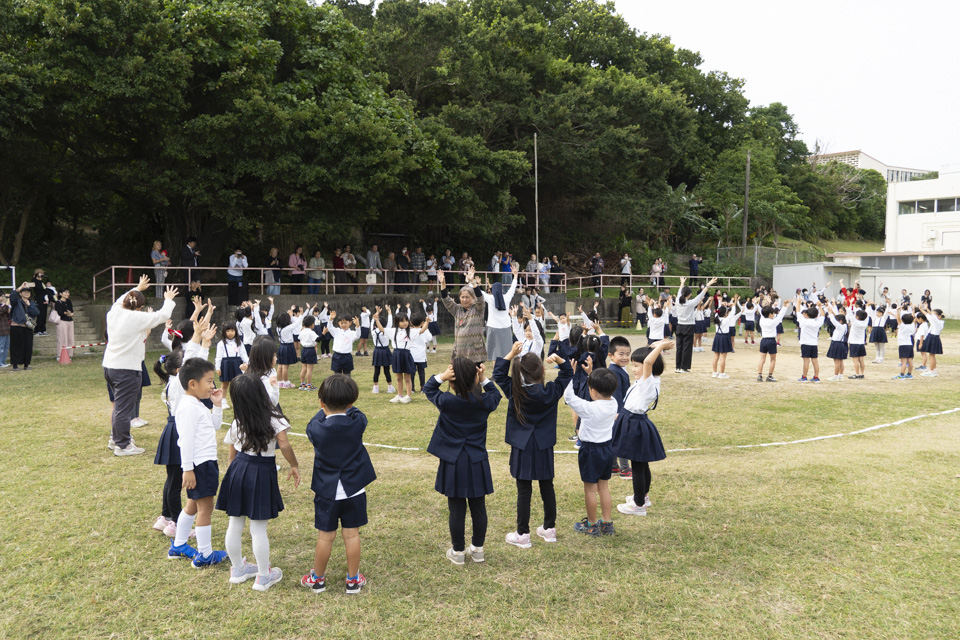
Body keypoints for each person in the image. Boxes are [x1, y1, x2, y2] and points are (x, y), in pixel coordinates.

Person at [217, 374, 300, 592]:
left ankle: (238, 570)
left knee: (235, 523)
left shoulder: (238, 420)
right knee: (258, 528)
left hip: (238, 468)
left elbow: (232, 447)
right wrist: (294, 465)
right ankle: (264, 576)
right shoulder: (274, 418)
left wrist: (232, 470)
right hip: (261, 470)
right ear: (261, 394)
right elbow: (283, 443)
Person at [301, 375, 376, 594]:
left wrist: (323, 407)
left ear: (321, 402)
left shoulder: (315, 428)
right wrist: (346, 405)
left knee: (326, 536)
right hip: (354, 489)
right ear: (351, 403)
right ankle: (352, 580)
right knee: (352, 535)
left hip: (327, 491)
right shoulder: (357, 422)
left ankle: (317, 579)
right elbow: (357, 413)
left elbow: (313, 422)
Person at [494, 341, 572, 548]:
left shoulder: (515, 391)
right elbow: (567, 374)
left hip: (522, 445)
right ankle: (549, 529)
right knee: (547, 486)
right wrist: (560, 360)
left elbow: (499, 375)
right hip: (543, 445)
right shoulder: (550, 392)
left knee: (524, 489)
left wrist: (511, 353)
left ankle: (523, 533)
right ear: (542, 371)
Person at [425, 358, 503, 565]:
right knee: (479, 507)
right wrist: (483, 378)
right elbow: (496, 395)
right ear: (475, 379)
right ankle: (478, 549)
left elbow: (429, 388)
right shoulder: (484, 401)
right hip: (477, 459)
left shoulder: (448, 401)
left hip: (453, 460)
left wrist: (442, 376)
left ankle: (458, 552)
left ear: (452, 382)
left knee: (457, 509)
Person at [102, 276, 176, 454]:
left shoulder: (113, 312)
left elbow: (120, 300)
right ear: (140, 307)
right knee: (124, 408)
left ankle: (116, 438)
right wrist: (168, 300)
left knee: (120, 406)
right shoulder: (137, 317)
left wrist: (137, 288)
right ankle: (122, 445)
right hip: (126, 369)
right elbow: (163, 315)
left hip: (110, 366)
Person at [167, 357, 228, 567]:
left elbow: (215, 426)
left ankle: (179, 545)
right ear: (192, 384)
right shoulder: (188, 407)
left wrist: (217, 405)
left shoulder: (197, 404)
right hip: (200, 465)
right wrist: (188, 470)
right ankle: (204, 554)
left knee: (192, 505)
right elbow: (185, 441)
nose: (213, 386)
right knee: (205, 509)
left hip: (204, 462)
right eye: (209, 381)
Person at [614, 340, 675, 517]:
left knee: (638, 467)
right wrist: (656, 345)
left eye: (636, 365)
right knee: (642, 464)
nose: (633, 369)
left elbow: (648, 362)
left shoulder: (649, 381)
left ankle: (638, 504)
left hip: (635, 424)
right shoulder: (645, 381)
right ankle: (643, 496)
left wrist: (661, 348)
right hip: (631, 420)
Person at [563, 365, 619, 537]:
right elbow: (599, 394)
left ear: (593, 391)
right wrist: (591, 376)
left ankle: (592, 524)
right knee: (604, 487)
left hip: (590, 451)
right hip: (607, 449)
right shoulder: (614, 402)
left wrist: (570, 374)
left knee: (590, 489)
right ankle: (607, 522)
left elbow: (569, 397)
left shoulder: (589, 409)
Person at [153, 350, 189, 539]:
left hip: (171, 428)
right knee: (175, 481)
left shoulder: (172, 382)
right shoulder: (178, 384)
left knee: (172, 478)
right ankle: (176, 521)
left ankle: (166, 516)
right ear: (178, 369)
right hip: (177, 429)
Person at [437, 267, 487, 364]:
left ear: (473, 298)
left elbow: (480, 298)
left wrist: (473, 281)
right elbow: (446, 300)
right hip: (459, 352)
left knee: (475, 377)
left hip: (475, 352)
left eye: (467, 297)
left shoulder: (478, 308)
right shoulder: (457, 309)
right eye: (462, 297)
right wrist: (443, 283)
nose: (464, 300)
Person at [481, 262, 519, 360]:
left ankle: (495, 373)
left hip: (493, 327)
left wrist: (471, 281)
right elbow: (513, 288)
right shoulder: (506, 298)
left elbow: (479, 292)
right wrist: (515, 275)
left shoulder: (490, 298)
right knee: (506, 351)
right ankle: (504, 370)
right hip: (506, 326)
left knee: (494, 352)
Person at [756, 300, 792, 382]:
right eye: (773, 313)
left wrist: (766, 306)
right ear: (770, 314)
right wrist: (784, 306)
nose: (774, 315)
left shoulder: (762, 320)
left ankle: (759, 375)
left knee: (762, 359)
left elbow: (763, 312)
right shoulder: (773, 322)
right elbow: (780, 316)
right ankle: (769, 376)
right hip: (771, 341)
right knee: (773, 359)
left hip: (763, 340)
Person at [215, 321, 249, 407]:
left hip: (237, 364)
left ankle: (237, 401)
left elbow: (243, 354)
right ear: (224, 332)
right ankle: (223, 401)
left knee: (237, 383)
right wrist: (218, 367)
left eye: (232, 331)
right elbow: (218, 357)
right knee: (224, 384)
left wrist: (247, 363)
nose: (230, 333)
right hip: (225, 364)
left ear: (236, 332)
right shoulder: (221, 344)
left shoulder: (239, 343)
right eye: (227, 331)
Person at [9, 282, 39, 370]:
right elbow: (12, 296)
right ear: (21, 293)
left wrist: (29, 306)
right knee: (16, 346)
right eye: (24, 291)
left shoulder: (32, 303)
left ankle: (26, 364)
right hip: (17, 326)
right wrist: (20, 287)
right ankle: (15, 365)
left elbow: (36, 313)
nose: (27, 293)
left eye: (28, 292)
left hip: (28, 327)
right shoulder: (16, 301)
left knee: (28, 346)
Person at [711, 297, 741, 379]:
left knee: (716, 357)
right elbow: (733, 311)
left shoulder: (717, 317)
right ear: (725, 314)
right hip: (724, 337)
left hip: (717, 336)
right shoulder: (726, 319)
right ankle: (722, 373)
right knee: (723, 357)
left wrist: (721, 303)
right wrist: (732, 304)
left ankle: (714, 372)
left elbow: (718, 310)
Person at [796, 297, 825, 383]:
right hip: (814, 343)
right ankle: (816, 377)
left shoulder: (804, 321)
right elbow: (822, 315)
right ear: (816, 315)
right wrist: (820, 306)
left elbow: (797, 312)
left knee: (806, 361)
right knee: (815, 361)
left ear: (807, 314)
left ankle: (804, 377)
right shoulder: (817, 322)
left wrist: (798, 302)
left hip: (805, 343)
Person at [324, 310, 360, 377]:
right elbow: (330, 327)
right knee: (337, 375)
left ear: (350, 323)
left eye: (345, 323)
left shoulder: (351, 333)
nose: (343, 325)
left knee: (347, 375)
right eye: (342, 323)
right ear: (338, 323)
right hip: (337, 356)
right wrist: (331, 319)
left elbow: (358, 335)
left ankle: (347, 387)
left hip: (347, 356)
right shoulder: (337, 331)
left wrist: (357, 326)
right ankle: (337, 387)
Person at [369, 306, 395, 395]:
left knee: (377, 370)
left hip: (377, 350)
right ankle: (389, 387)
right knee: (386, 370)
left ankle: (375, 388)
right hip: (385, 350)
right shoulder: (385, 331)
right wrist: (389, 312)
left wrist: (377, 313)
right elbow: (390, 323)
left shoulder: (373, 331)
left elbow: (372, 322)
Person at [918, 303, 943, 377]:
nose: (932, 315)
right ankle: (933, 370)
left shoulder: (939, 323)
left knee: (931, 355)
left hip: (934, 338)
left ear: (939, 316)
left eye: (934, 314)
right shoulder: (934, 322)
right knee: (932, 355)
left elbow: (932, 317)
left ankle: (932, 371)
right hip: (932, 337)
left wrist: (928, 309)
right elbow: (928, 315)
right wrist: (921, 309)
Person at [824, 307, 849, 381]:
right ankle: (840, 376)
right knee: (840, 361)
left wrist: (830, 313)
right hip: (840, 343)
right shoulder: (844, 325)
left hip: (837, 343)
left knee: (837, 361)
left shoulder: (840, 326)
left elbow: (833, 321)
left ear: (840, 321)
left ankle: (835, 376)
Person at [892, 307, 916, 380]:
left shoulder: (902, 326)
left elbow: (898, 319)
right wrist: (913, 310)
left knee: (903, 362)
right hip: (909, 344)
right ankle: (909, 374)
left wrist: (897, 311)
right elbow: (912, 317)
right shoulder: (912, 325)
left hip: (903, 345)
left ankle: (902, 374)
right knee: (910, 361)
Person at [298, 314, 320, 391]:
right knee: (309, 369)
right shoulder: (311, 332)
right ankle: (309, 385)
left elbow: (299, 338)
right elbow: (318, 339)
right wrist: (323, 333)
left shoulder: (302, 331)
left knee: (303, 368)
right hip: (310, 350)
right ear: (312, 324)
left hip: (303, 350)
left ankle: (302, 384)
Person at [54, 288, 75, 364]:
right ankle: (60, 355)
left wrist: (69, 313)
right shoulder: (58, 302)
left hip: (70, 321)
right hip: (62, 321)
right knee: (62, 338)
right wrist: (67, 313)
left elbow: (71, 311)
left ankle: (69, 355)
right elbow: (60, 312)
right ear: (61, 293)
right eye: (66, 292)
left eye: (68, 292)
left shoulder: (69, 301)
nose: (67, 294)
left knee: (70, 338)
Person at [0, 292, 10, 367]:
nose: (3, 298)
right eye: (2, 296)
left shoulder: (3, 305)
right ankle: (0, 362)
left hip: (6, 328)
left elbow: (8, 313)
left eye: (3, 296)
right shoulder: (3, 306)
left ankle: (4, 361)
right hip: (1, 330)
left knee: (6, 346)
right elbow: (2, 311)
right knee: (1, 346)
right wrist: (7, 302)